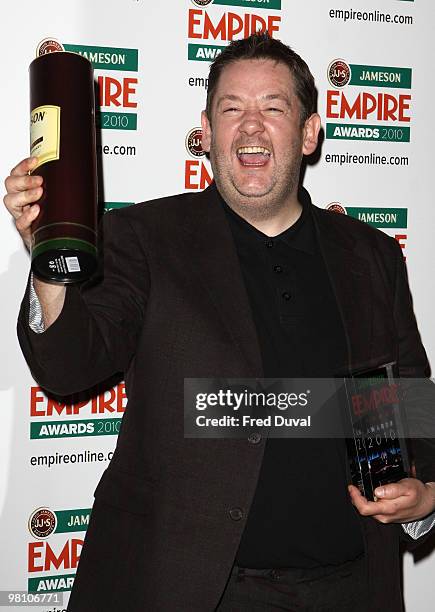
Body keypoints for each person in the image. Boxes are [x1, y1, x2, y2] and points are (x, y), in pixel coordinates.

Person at [4, 32, 435, 611]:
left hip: (352, 587)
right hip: (189, 589)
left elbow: (412, 403)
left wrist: (425, 495)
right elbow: (69, 365)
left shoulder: (374, 255)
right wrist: (51, 258)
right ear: (205, 133)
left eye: (273, 108)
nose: (250, 126)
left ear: (309, 134)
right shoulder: (143, 239)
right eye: (232, 109)